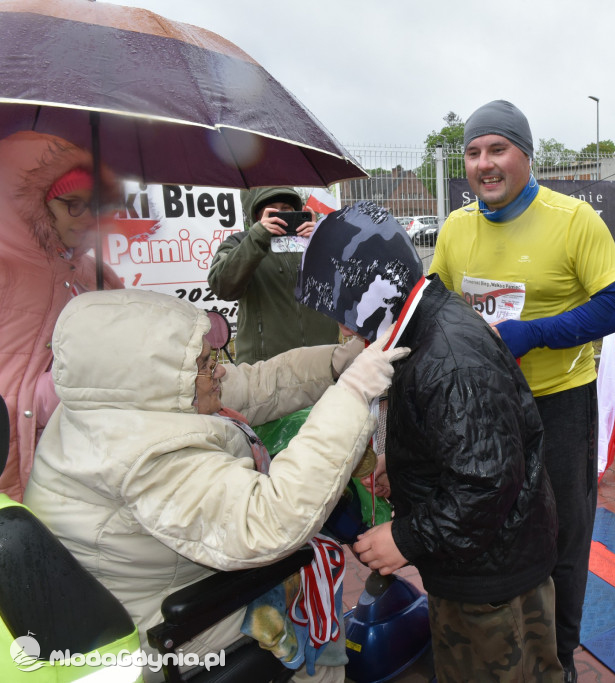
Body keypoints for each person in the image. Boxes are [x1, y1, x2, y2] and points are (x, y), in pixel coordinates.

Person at [24, 287, 407, 682]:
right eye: (205, 363)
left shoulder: (112, 406)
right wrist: (354, 394)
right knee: (316, 633)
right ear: (163, 377)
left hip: (140, 599)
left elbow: (261, 384)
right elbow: (272, 520)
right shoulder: (147, 459)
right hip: (177, 635)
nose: (218, 370)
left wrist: (341, 362)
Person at [296, 201, 561, 682]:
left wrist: (406, 538)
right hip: (480, 558)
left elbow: (486, 483)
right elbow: (459, 443)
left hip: (488, 580)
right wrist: (399, 466)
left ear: (368, 291)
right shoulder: (423, 323)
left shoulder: (450, 357)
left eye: (342, 311)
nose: (344, 328)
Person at [428, 100, 615, 681]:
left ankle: (561, 657)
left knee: (564, 534)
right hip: (483, 406)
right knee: (494, 529)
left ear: (525, 154)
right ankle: (501, 643)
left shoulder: (573, 220)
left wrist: (534, 335)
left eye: (497, 149)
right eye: (473, 153)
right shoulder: (456, 227)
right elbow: (436, 307)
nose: (484, 164)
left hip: (560, 401)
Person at [0, 131, 123, 502]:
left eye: (94, 205)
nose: (86, 217)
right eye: (72, 203)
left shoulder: (97, 276)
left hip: (65, 466)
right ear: (29, 203)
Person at [207, 186, 340, 364]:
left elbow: (347, 286)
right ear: (257, 215)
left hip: (322, 363)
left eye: (286, 209)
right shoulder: (239, 243)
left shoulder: (313, 241)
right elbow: (222, 286)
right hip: (266, 370)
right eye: (272, 210)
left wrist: (322, 242)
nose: (281, 214)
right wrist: (257, 238)